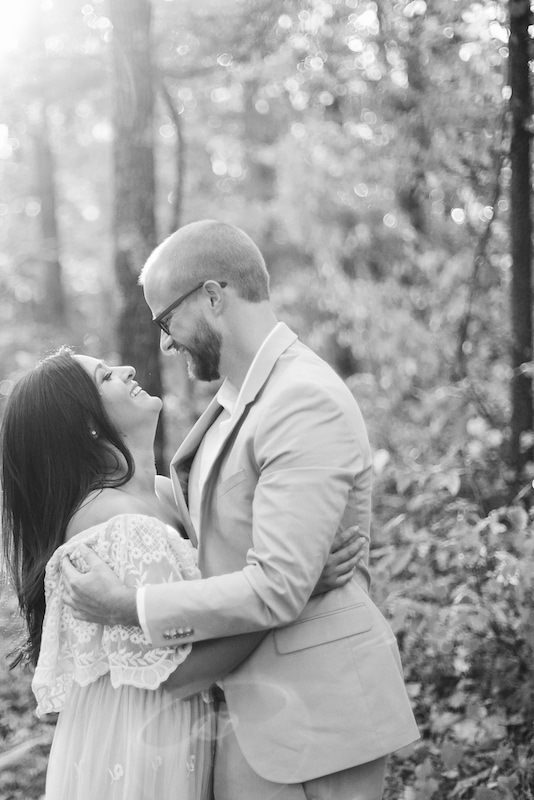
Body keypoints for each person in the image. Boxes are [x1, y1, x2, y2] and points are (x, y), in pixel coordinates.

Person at [62, 219, 421, 800]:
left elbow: (279, 585)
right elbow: (217, 538)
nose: (164, 343)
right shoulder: (238, 401)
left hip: (316, 721)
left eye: (164, 320)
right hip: (251, 715)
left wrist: (130, 606)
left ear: (211, 296)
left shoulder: (301, 399)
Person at [0, 348, 363, 800]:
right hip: (140, 746)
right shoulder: (118, 523)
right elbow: (183, 674)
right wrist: (297, 585)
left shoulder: (164, 495)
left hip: (179, 729)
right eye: (106, 376)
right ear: (88, 425)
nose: (127, 368)